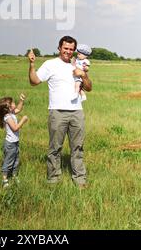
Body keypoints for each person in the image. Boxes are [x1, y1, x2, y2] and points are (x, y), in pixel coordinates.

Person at [28, 36, 92, 187]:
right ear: (59, 48)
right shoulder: (50, 64)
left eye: (71, 49)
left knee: (77, 147)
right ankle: (53, 179)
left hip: (77, 112)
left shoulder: (77, 65)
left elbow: (89, 87)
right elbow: (34, 81)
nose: (68, 52)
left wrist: (83, 75)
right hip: (57, 112)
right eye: (65, 48)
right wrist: (31, 65)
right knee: (55, 148)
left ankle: (80, 179)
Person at [0, 94, 28, 188]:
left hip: (15, 142)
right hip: (10, 144)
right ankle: (4, 179)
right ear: (8, 108)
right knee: (8, 161)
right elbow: (15, 128)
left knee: (16, 160)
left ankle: (14, 176)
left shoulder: (11, 113)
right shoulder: (8, 117)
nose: (14, 103)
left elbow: (19, 109)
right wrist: (23, 120)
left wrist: (21, 100)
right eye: (12, 103)